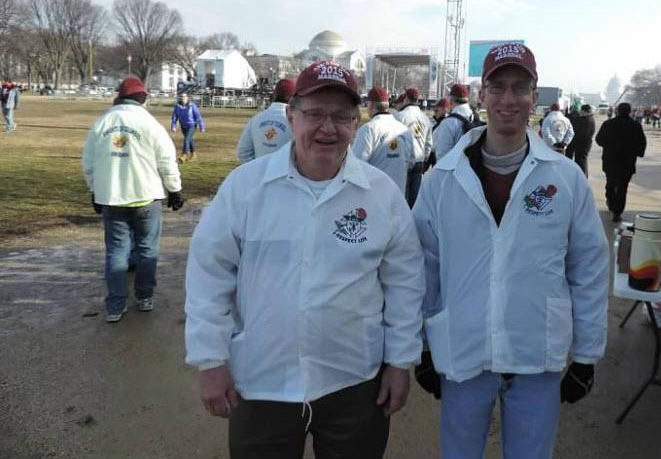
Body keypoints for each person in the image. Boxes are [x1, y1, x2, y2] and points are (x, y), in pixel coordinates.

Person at [185, 60, 425, 459]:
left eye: (341, 116)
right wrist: (210, 358)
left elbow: (405, 282)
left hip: (355, 382)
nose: (327, 128)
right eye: (315, 114)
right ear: (292, 117)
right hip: (261, 383)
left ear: (356, 122)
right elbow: (209, 274)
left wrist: (400, 361)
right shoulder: (246, 188)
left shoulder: (381, 194)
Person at [412, 42, 609, 459]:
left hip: (535, 352)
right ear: (481, 94)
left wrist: (587, 354)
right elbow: (423, 269)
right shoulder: (441, 181)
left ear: (535, 97)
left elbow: (588, 267)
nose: (508, 99)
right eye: (497, 87)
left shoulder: (566, 178)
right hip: (464, 351)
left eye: (520, 88)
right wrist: (422, 347)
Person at [82, 77, 184, 323]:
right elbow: (167, 161)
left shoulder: (102, 123)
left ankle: (115, 306)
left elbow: (89, 163)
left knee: (116, 251)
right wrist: (175, 189)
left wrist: (95, 190)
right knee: (147, 249)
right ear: (142, 98)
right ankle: (144, 297)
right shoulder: (149, 124)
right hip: (146, 196)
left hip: (113, 197)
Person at [352, 86, 414, 192]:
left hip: (375, 197)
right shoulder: (404, 130)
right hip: (398, 195)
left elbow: (356, 166)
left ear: (371, 105)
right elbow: (411, 161)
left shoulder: (368, 129)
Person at [595, 102, 647, 223]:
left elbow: (599, 139)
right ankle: (617, 211)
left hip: (610, 160)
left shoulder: (608, 124)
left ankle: (611, 202)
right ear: (629, 112)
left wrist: (608, 146)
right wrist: (636, 152)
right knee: (623, 187)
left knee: (610, 184)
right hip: (627, 162)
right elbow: (642, 142)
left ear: (617, 111)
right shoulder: (635, 125)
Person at [236, 78, 295, 163]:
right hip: (286, 174)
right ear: (293, 98)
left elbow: (243, 152)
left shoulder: (256, 119)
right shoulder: (297, 124)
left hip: (258, 174)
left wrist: (258, 170)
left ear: (274, 95)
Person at [395, 87, 433, 207]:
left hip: (403, 162)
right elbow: (429, 143)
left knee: (401, 198)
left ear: (406, 98)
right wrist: (425, 158)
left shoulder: (399, 116)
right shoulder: (425, 118)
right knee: (415, 199)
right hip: (419, 161)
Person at [432, 83, 474, 162]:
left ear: (451, 100)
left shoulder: (448, 123)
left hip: (454, 170)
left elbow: (442, 155)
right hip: (473, 170)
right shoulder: (475, 117)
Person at [170, 93, 205, 162]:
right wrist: (173, 126)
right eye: (181, 96)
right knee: (189, 140)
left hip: (191, 125)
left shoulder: (192, 106)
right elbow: (174, 117)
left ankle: (184, 155)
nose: (183, 98)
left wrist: (201, 126)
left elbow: (198, 116)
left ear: (187, 98)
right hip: (183, 126)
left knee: (186, 140)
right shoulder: (177, 106)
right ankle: (193, 154)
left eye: (184, 96)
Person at [566, 104, 596, 176]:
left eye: (581, 111)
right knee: (580, 160)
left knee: (581, 161)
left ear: (584, 111)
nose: (580, 113)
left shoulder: (587, 120)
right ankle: (581, 176)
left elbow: (581, 133)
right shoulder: (588, 118)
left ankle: (583, 177)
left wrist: (572, 140)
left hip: (583, 144)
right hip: (583, 144)